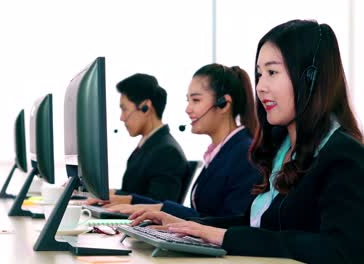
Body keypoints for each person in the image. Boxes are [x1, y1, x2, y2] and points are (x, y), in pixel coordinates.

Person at [129, 20, 364, 264]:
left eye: (272, 73)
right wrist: (188, 226)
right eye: (259, 75)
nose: (260, 87)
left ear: (310, 79)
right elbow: (255, 224)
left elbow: (342, 250)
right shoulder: (281, 147)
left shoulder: (343, 155)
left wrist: (225, 237)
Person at [103, 64, 261, 220]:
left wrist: (159, 210)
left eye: (196, 100)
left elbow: (229, 224)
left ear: (224, 103)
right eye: (188, 100)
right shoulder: (221, 152)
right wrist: (141, 204)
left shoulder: (244, 154)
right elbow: (205, 215)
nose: (188, 109)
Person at [102, 73, 189, 202]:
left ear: (145, 107)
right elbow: (134, 192)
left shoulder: (167, 151)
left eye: (124, 109)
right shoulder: (149, 145)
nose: (121, 118)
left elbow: (159, 204)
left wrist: (115, 199)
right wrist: (106, 194)